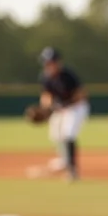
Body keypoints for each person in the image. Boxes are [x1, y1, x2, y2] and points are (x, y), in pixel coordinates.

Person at [39, 47, 89, 181]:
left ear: (58, 62)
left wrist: (65, 104)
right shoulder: (46, 77)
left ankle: (72, 170)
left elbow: (81, 94)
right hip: (61, 108)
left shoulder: (68, 75)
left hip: (76, 107)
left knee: (69, 134)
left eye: (51, 62)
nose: (49, 65)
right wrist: (45, 108)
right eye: (47, 62)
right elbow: (46, 95)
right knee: (55, 135)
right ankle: (65, 161)